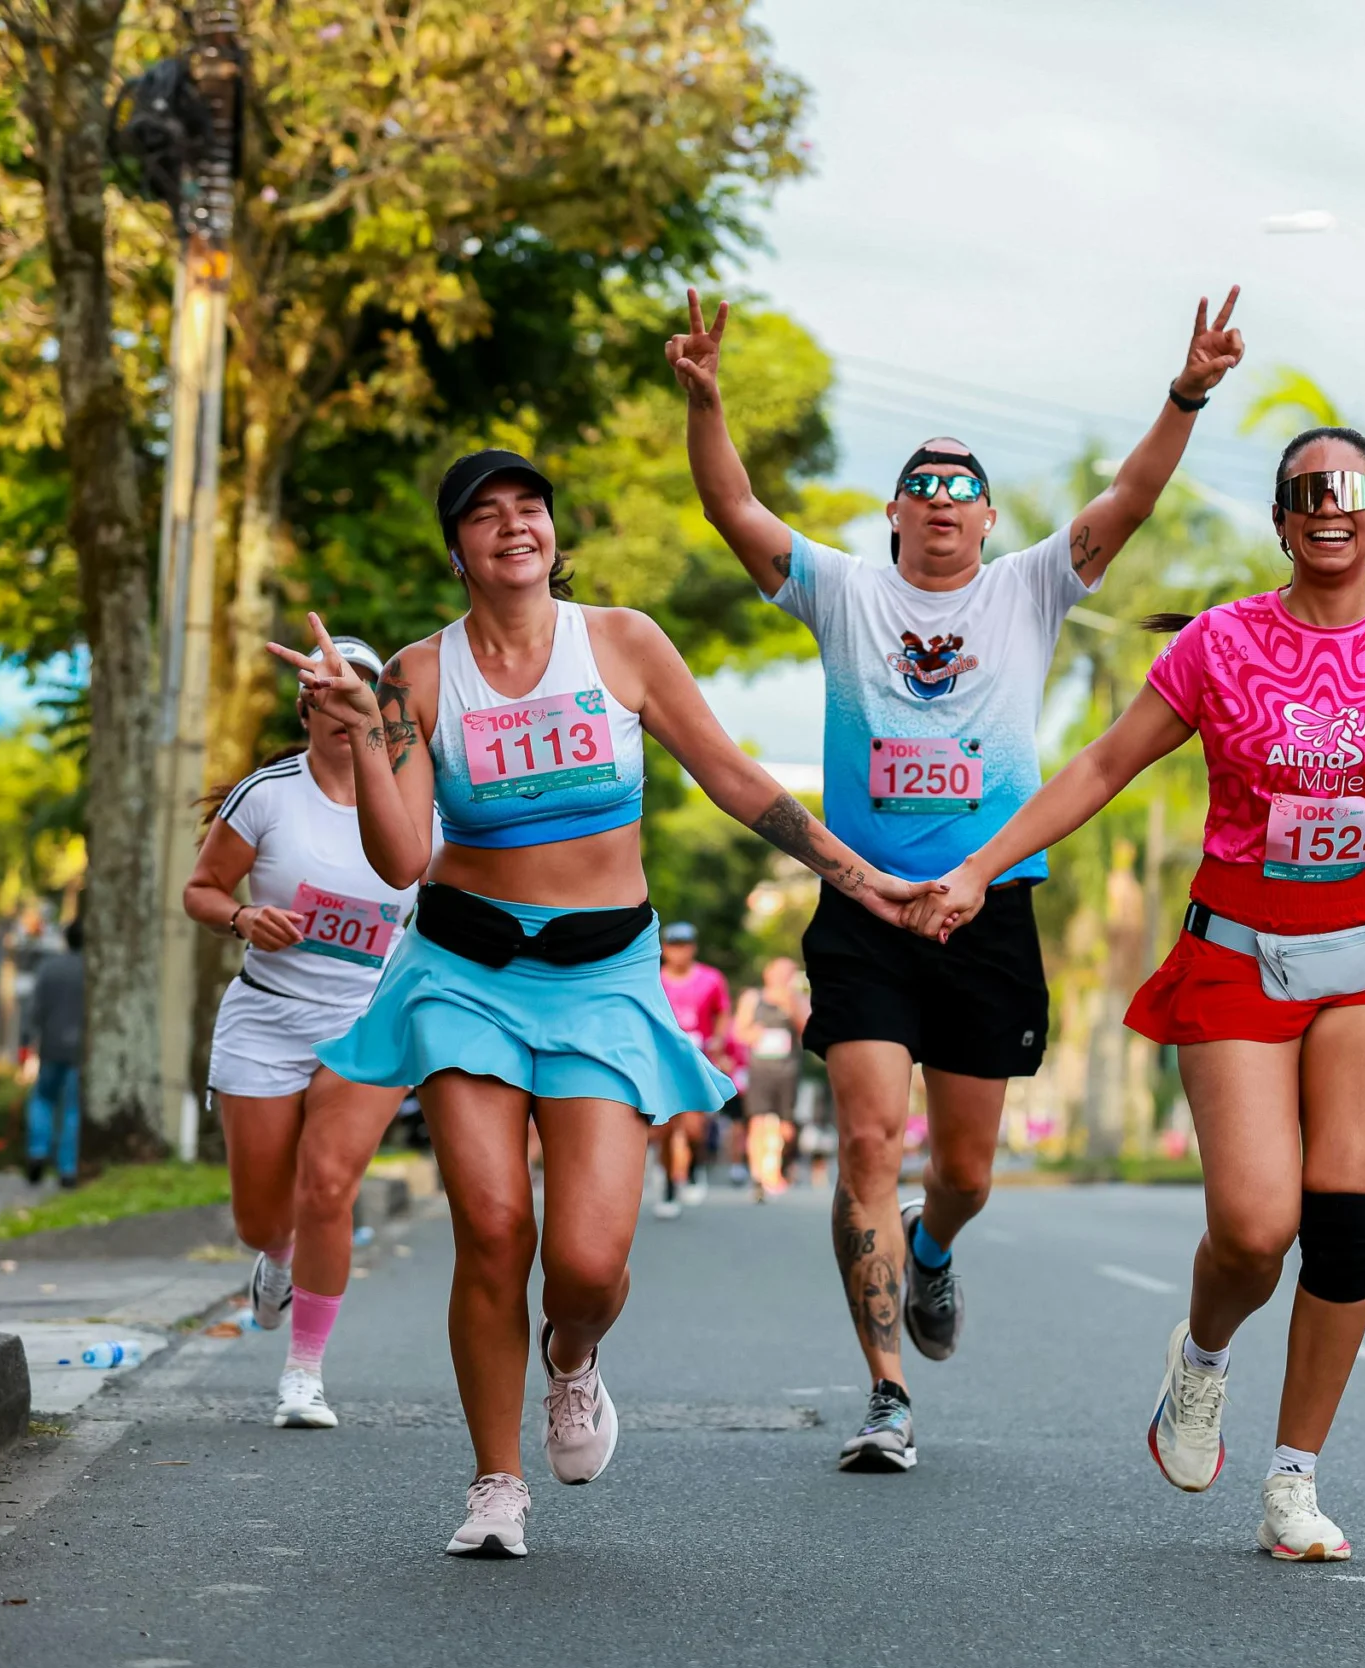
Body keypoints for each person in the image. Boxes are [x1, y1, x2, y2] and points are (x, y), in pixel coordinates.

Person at [907, 419, 1365, 1559]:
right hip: (1238, 952)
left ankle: (1294, 1475)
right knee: (1252, 1228)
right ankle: (1201, 1356)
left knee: (1342, 1230)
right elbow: (1098, 765)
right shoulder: (1223, 645)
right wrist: (977, 869)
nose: (1328, 504)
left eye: (1350, 489)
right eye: (1303, 490)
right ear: (1282, 522)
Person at [274, 449, 929, 1560]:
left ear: (550, 533)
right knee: (491, 1225)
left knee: (584, 1263)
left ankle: (569, 1360)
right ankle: (494, 1484)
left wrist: (860, 878)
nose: (511, 525)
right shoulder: (418, 678)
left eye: (528, 505)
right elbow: (397, 862)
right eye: (483, 515)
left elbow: (732, 776)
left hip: (603, 980)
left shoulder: (621, 642)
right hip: (466, 973)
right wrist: (360, 732)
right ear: (459, 550)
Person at [671, 285, 1245, 1472]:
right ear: (892, 515)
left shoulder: (1030, 588)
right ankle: (886, 1396)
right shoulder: (840, 591)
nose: (939, 506)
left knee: (966, 1173)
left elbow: (1129, 500)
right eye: (919, 489)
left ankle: (934, 1251)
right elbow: (730, 505)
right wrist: (707, 400)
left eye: (959, 491)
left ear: (987, 519)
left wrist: (1185, 391)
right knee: (871, 1142)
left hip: (990, 909)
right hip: (864, 909)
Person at [182, 635, 421, 1429]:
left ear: (379, 707)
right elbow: (202, 890)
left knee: (328, 1186)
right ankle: (274, 1258)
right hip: (266, 1016)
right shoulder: (268, 795)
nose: (340, 703)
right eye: (324, 689)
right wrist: (246, 915)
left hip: (366, 1021)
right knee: (262, 1216)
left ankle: (304, 1374)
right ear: (307, 706)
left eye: (357, 687)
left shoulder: (417, 797)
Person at [654, 921, 735, 1220]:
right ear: (664, 949)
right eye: (673, 945)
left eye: (685, 945)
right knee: (664, 1129)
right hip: (664, 1061)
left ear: (693, 947)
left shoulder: (711, 979)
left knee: (692, 1128)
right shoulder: (655, 979)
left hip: (697, 1059)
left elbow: (723, 1012)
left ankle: (692, 1168)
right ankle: (668, 1189)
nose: (679, 952)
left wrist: (718, 1040)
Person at [734, 957, 809, 1199]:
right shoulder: (752, 998)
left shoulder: (796, 999)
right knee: (758, 1122)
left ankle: (780, 1167)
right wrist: (751, 1033)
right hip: (760, 1070)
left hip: (787, 1070)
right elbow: (739, 1031)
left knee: (785, 1127)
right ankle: (761, 1174)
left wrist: (790, 1003)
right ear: (768, 973)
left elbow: (807, 1031)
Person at [18, 919, 84, 1188]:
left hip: (50, 1047)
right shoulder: (96, 970)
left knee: (42, 1100)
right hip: (80, 1051)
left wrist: (26, 1038)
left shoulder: (49, 968)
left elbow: (34, 1009)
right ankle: (67, 1169)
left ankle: (37, 1152)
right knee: (72, 1109)